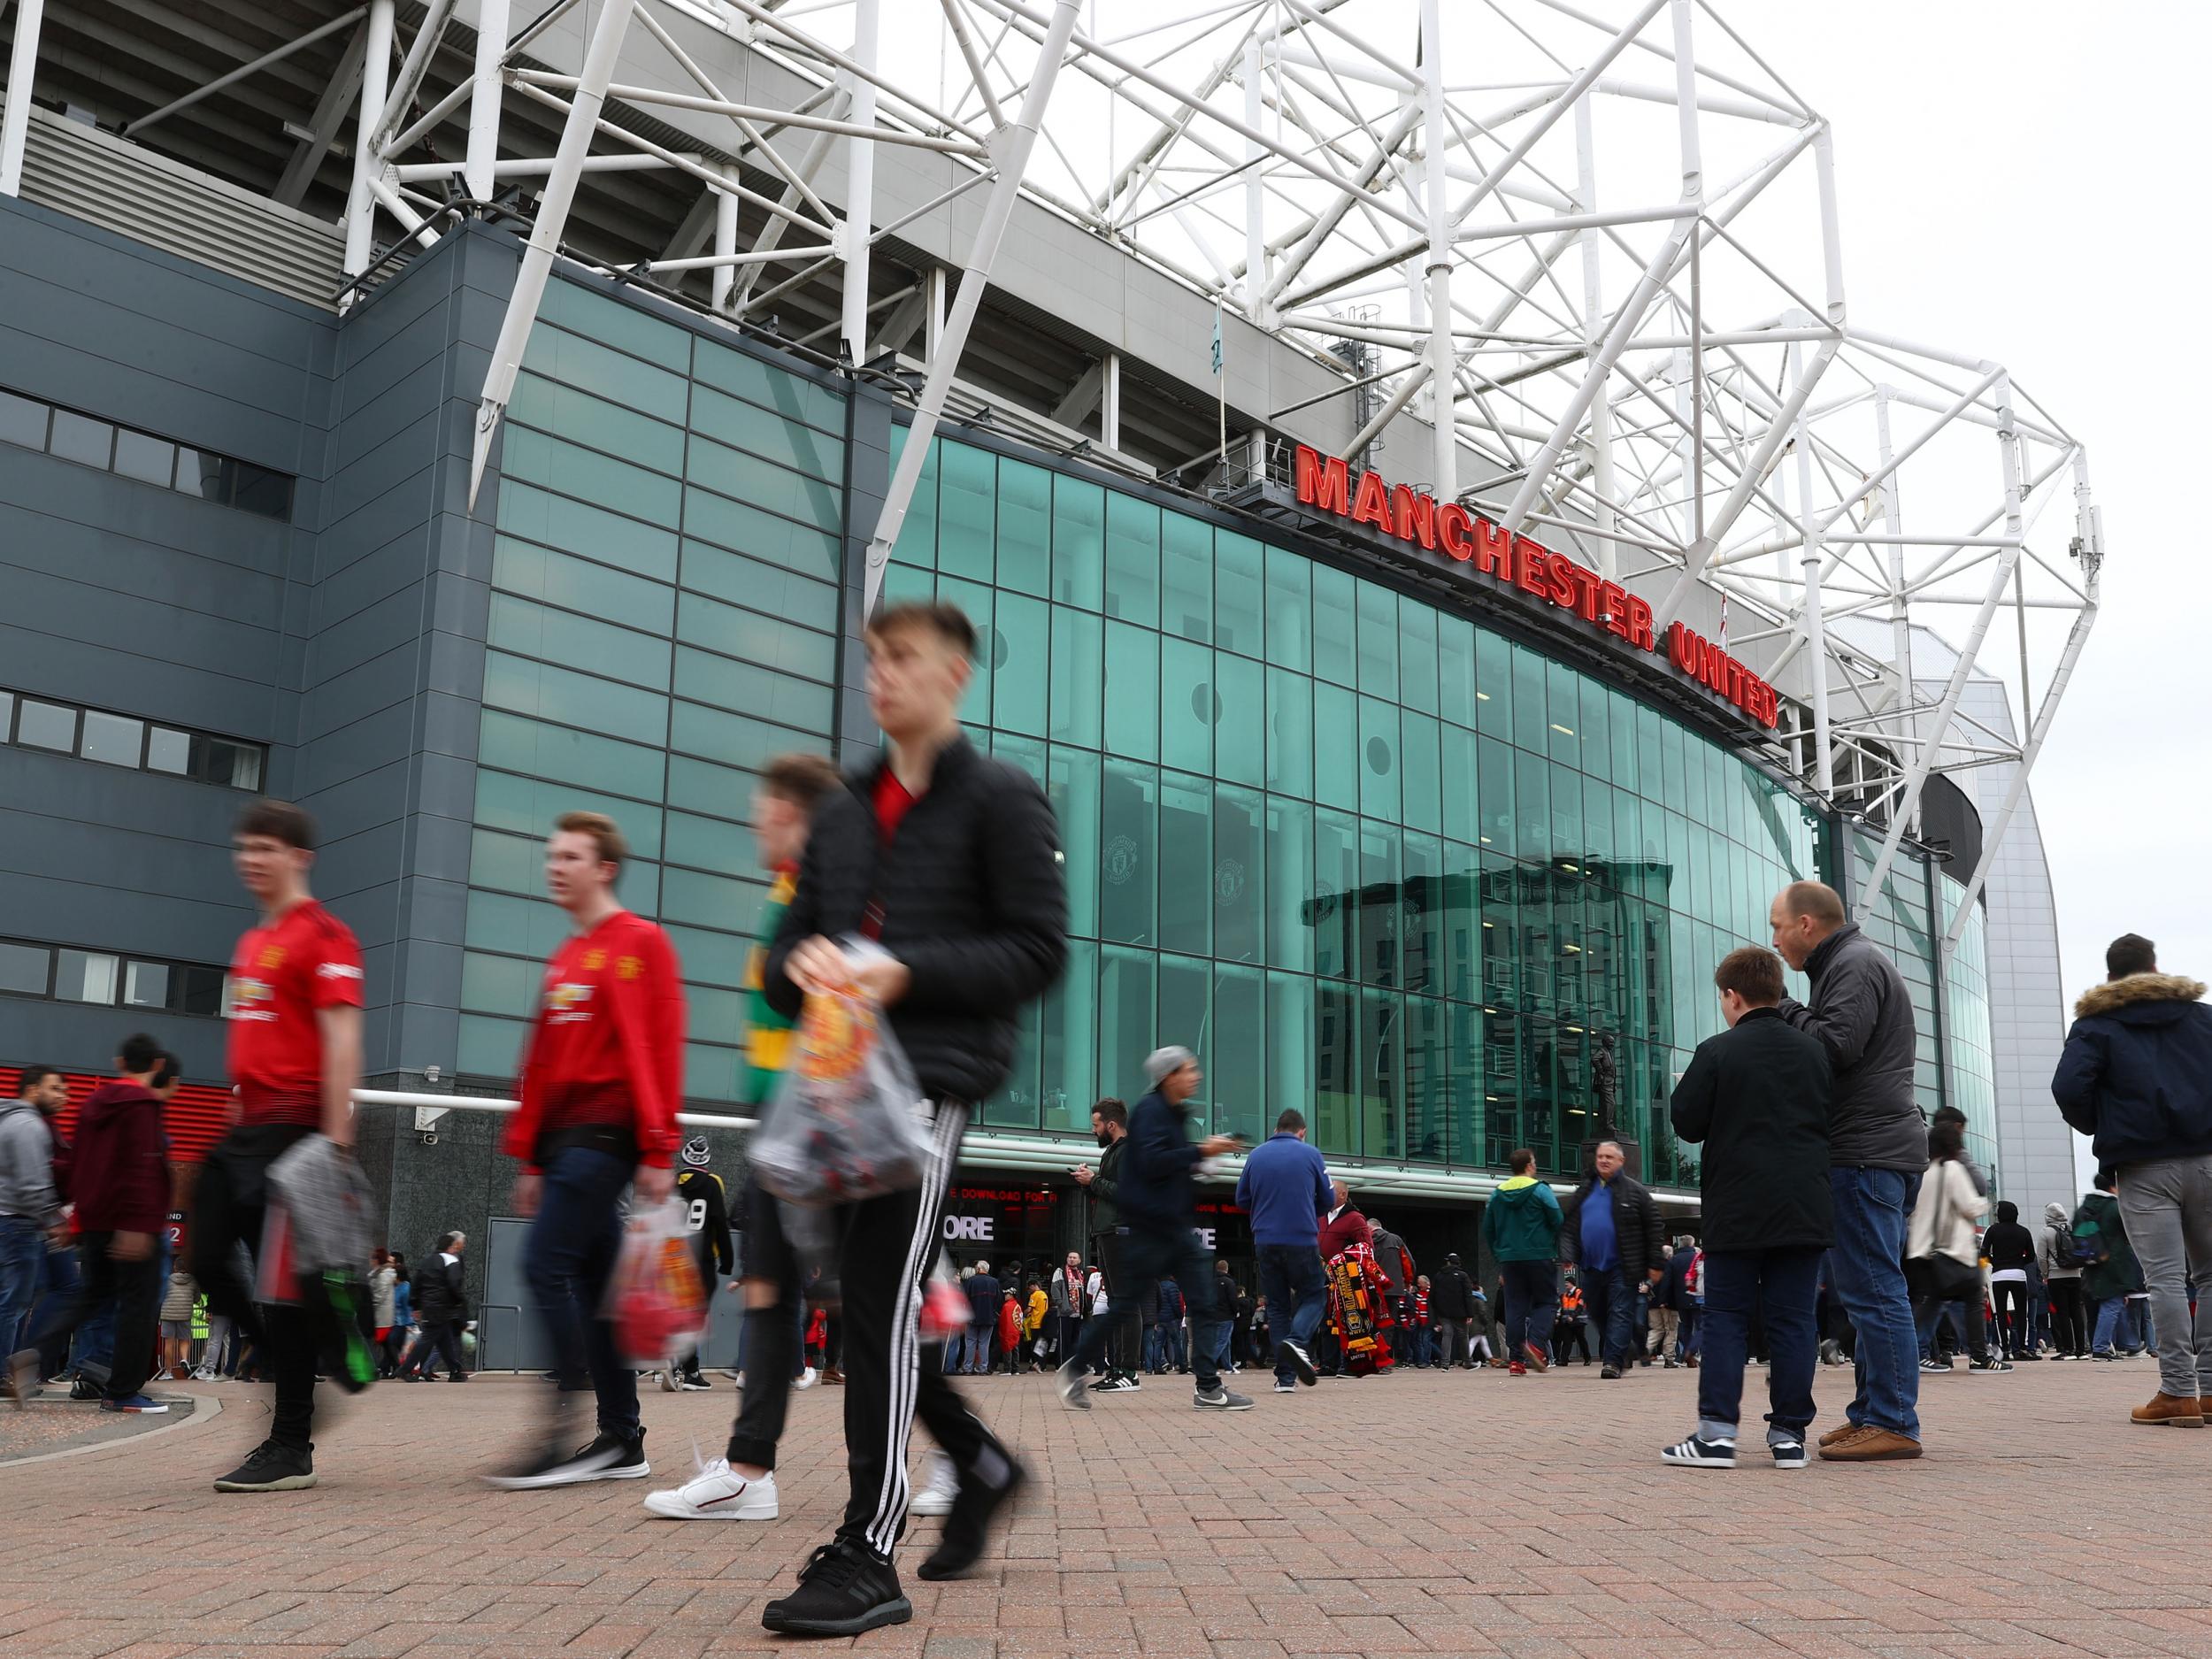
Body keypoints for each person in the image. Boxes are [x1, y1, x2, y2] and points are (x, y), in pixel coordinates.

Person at [751, 600, 1065, 1634]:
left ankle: (866, 1547)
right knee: (866, 1306)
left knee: (882, 1298)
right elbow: (787, 954)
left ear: (955, 677)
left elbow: (1036, 951)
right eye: (873, 659)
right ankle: (979, 1463)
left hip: (929, 1084)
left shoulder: (1002, 800)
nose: (881, 676)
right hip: (840, 1098)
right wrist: (802, 964)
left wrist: (902, 971)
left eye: (903, 659)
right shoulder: (844, 810)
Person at [645, 752, 842, 1524]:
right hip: (785, 1132)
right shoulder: (790, 894)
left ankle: (967, 1456)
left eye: (765, 806)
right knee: (774, 1298)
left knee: (862, 1298)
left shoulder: (820, 897)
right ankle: (748, 1469)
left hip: (814, 1131)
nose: (754, 819)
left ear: (794, 815)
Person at [488, 810, 683, 1487]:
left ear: (605, 868)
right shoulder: (565, 958)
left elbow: (657, 1046)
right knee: (600, 1290)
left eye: (571, 855)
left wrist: (660, 1147)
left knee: (544, 1263)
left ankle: (559, 1424)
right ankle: (621, 1440)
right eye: (552, 854)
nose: (556, 865)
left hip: (607, 1135)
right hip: (565, 1141)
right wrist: (532, 1157)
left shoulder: (640, 943)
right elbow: (538, 1064)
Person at [194, 798, 364, 1494]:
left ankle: (291, 1442)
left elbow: (342, 1034)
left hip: (298, 1129)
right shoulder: (252, 942)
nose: (250, 859)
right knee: (203, 1254)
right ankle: (295, 1351)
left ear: (300, 857)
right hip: (245, 1126)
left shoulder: (325, 934)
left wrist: (337, 1139)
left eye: (264, 847)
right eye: (244, 847)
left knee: (288, 1293)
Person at [1770, 880, 1926, 1463]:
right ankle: (1873, 1413)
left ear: (1807, 924)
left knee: (1874, 1290)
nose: (1775, 937)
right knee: (1867, 1289)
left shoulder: (1854, 964)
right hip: (1874, 1148)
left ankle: (1892, 1419)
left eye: (1777, 924)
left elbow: (1835, 1047)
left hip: (1865, 1152)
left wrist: (1781, 1007)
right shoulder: (1851, 963)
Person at [1662, 946, 1833, 1469]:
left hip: (1737, 1207)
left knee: (1726, 1319)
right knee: (1794, 1321)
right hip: (1804, 1207)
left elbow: (1686, 1122)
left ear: (1732, 996)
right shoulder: (1814, 1053)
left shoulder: (1717, 1052)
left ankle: (1716, 1435)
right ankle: (1789, 1437)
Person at [2053, 933, 2212, 1425]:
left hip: (2142, 1164)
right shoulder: (2201, 1018)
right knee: (2209, 1276)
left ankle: (2178, 1392)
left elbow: (2068, 1087)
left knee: (2163, 1279)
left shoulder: (2096, 1025)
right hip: (2207, 1157)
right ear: (2155, 967)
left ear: (2110, 976)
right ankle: (2209, 1388)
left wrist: (2104, 1124)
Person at [1059, 1047, 1248, 1413]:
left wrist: (1199, 1165)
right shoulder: (1150, 1113)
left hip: (1171, 1225)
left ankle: (1208, 1386)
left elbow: (1166, 1167)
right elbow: (1152, 1164)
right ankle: (1078, 1368)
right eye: (1189, 1070)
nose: (1196, 1076)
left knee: (1198, 1301)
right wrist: (1201, 1152)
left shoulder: (1174, 1113)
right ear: (1168, 1076)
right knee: (1127, 1305)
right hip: (1152, 1227)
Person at [11, 1036, 172, 1414]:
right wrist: (136, 1225)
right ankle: (123, 1392)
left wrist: (72, 1215)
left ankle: (32, 1352)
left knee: (91, 1296)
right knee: (139, 1305)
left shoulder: (93, 1104)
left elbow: (76, 1161)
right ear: (158, 1065)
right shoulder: (143, 1103)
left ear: (119, 1062)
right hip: (131, 1224)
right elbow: (141, 1166)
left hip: (95, 1220)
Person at [1234, 1107, 1332, 1391]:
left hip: (1265, 1240)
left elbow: (1241, 1199)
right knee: (1314, 1296)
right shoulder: (1311, 1154)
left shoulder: (1256, 1155)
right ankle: (1297, 1340)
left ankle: (1285, 1378)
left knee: (1276, 1306)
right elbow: (1327, 1199)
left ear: (1276, 1129)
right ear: (1302, 1132)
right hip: (1301, 1239)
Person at [1907, 1117, 2002, 1382]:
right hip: (1952, 1250)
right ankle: (1980, 1357)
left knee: (1931, 1302)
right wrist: (1985, 1204)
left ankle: (1913, 1353)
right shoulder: (1953, 1170)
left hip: (1924, 1249)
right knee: (1972, 1297)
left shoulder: (1923, 1172)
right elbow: (1969, 1206)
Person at [1560, 1141, 1663, 1379]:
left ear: (1621, 1161)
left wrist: (1656, 1264)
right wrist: (1568, 1255)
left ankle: (1613, 1362)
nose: (1604, 1160)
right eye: (1600, 1157)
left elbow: (1655, 1226)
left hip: (1623, 1266)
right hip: (1591, 1265)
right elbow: (1569, 1226)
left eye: (1609, 1157)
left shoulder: (1635, 1191)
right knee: (1597, 1313)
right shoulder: (1585, 1189)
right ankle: (1624, 1349)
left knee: (1620, 1311)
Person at [0, 1065, 66, 1365]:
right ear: (32, 1089)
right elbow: (33, 1184)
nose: (62, 1096)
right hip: (18, 1223)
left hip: (7, 1221)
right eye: (55, 1088)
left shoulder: (7, 1120)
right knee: (13, 1304)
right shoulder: (29, 1125)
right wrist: (54, 1222)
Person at [1072, 1100, 1139, 1390]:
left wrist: (1095, 1180)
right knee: (1116, 1302)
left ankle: (1129, 1372)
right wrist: (1089, 1184)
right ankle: (1118, 1370)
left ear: (1111, 1125)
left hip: (1122, 1232)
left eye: (1096, 1124)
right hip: (1109, 1231)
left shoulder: (1129, 1152)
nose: (1093, 1130)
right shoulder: (1113, 1152)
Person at [1485, 1148, 1563, 1374]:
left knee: (1515, 1307)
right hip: (1539, 1255)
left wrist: (1499, 1254)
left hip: (1510, 1259)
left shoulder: (1497, 1194)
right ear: (1530, 1165)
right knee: (1546, 1302)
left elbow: (1488, 1228)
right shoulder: (1541, 1190)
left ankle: (1516, 1361)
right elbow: (1557, 1220)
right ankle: (1536, 1346)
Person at [667, 1138, 734, 1391]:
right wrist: (727, 1261)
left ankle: (673, 1361)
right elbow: (719, 1222)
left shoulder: (672, 1183)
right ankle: (691, 1371)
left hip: (674, 1257)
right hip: (702, 1258)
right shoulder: (712, 1184)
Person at [408, 1232, 469, 1383]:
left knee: (445, 1341)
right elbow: (454, 1285)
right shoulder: (450, 1259)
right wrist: (460, 1302)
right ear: (451, 1246)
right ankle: (407, 1369)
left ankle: (455, 1370)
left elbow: (417, 1284)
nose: (457, 1248)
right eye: (456, 1245)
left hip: (431, 1306)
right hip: (442, 1306)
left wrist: (416, 1305)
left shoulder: (428, 1260)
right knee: (430, 1340)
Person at [1981, 1202, 2039, 1362]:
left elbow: (1983, 1253)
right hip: (2019, 1274)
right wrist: (2019, 1262)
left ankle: (2004, 1349)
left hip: (1999, 1275)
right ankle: (2021, 1348)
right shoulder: (2024, 1231)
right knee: (2021, 1314)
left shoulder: (1993, 1230)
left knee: (2000, 1314)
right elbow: (2032, 1256)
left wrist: (1995, 1261)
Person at [2039, 1202, 2089, 1359]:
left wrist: (2046, 1274)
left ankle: (2068, 1350)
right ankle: (2081, 1350)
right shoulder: (2072, 1229)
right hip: (2075, 1275)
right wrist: (2078, 1270)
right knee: (2077, 1312)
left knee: (2063, 1312)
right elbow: (2082, 1251)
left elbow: (2041, 1258)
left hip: (2056, 1276)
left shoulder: (2046, 1232)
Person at [1427, 1251, 1479, 1371]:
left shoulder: (1439, 1276)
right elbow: (1468, 1295)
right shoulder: (1463, 1276)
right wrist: (1470, 1313)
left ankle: (1445, 1363)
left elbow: (1432, 1295)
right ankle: (1467, 1362)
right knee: (1463, 1336)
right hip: (1460, 1312)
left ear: (1448, 1262)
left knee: (1447, 1336)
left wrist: (1437, 1310)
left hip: (1443, 1312)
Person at [1048, 1249, 1087, 1371]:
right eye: (1070, 1257)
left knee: (1075, 1340)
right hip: (1065, 1312)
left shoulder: (1081, 1273)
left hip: (1079, 1313)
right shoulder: (1060, 1271)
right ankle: (1061, 1365)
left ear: (1079, 1260)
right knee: (1064, 1340)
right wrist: (1061, 1305)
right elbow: (1055, 1289)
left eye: (1075, 1257)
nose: (1072, 1259)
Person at [962, 1260, 1002, 1377]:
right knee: (984, 1343)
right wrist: (995, 1315)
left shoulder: (971, 1281)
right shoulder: (994, 1282)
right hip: (989, 1317)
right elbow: (999, 1301)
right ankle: (982, 1368)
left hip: (972, 1317)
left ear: (979, 1269)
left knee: (970, 1342)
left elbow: (964, 1299)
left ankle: (968, 1368)